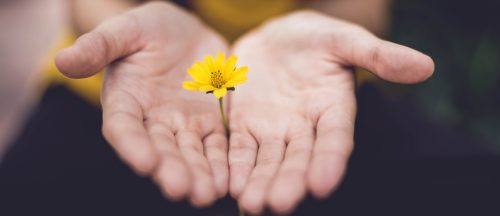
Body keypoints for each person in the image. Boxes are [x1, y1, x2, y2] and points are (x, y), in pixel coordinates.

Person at [53, 0, 434, 214]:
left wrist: (325, 25)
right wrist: (121, 30)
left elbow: (363, 7)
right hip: (132, 87)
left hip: (312, 90)